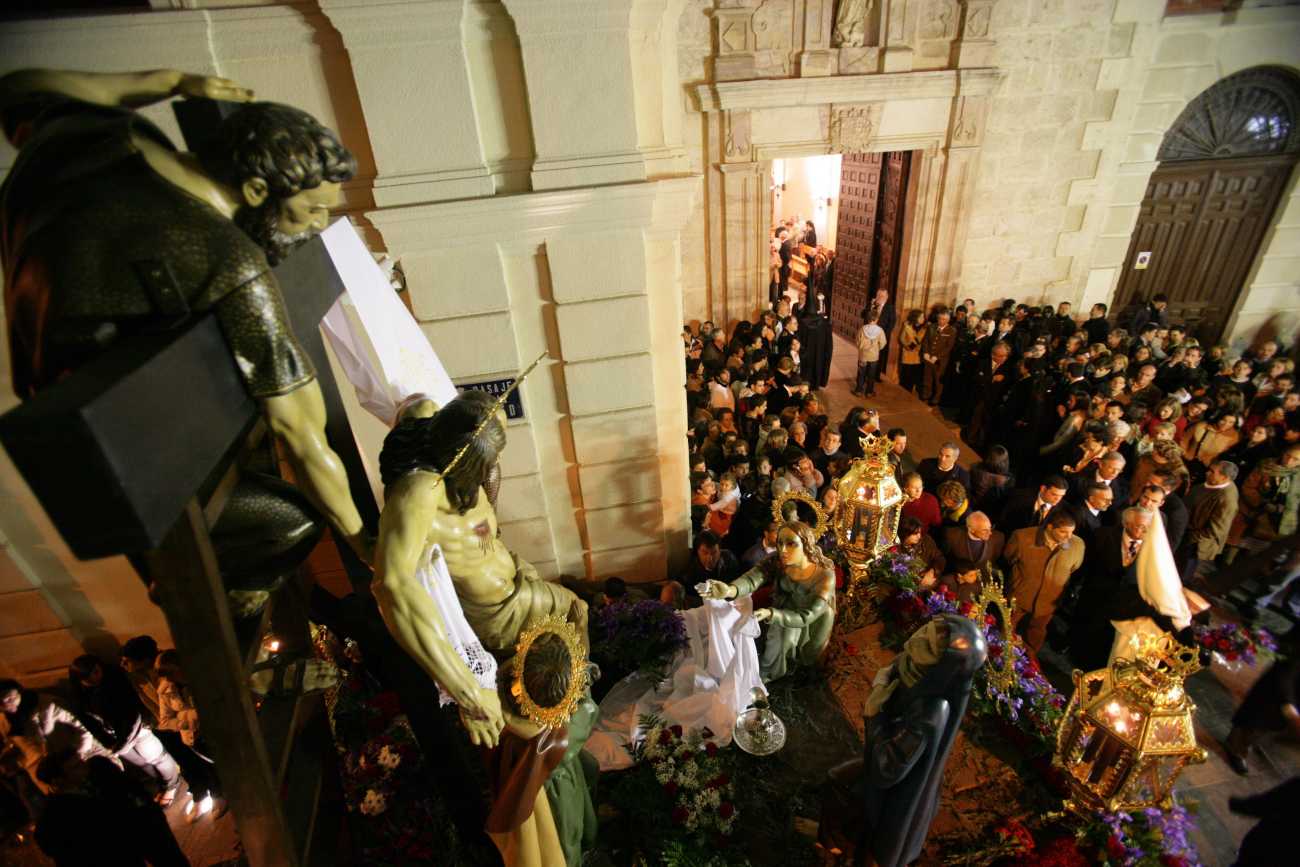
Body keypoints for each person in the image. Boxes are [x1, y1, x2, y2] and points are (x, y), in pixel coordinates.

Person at [0, 67, 372, 563]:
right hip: (126, 462)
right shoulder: (229, 262)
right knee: (290, 521)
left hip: (55, 381)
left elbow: (20, 89)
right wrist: (361, 541)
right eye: (309, 211)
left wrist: (171, 81)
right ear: (258, 190)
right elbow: (299, 432)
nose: (319, 225)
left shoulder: (105, 134)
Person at [374, 390, 588, 747]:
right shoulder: (421, 494)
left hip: (517, 574)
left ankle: (568, 686)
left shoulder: (430, 420)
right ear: (461, 459)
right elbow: (390, 586)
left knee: (574, 611)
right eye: (489, 458)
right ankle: (543, 708)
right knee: (575, 612)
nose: (495, 463)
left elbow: (420, 402)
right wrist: (468, 692)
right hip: (495, 609)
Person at [818, 615, 987, 867]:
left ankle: (836, 847)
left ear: (947, 665)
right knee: (837, 785)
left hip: (893, 788)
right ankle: (829, 838)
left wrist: (874, 713)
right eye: (924, 631)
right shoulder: (916, 671)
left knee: (844, 792)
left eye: (928, 647)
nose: (914, 642)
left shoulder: (931, 712)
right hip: (884, 756)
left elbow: (885, 770)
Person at [700, 521, 836, 681]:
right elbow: (753, 578)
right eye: (780, 543)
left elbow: (807, 616)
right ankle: (767, 675)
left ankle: (785, 677)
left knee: (797, 652)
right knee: (776, 640)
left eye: (791, 544)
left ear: (806, 544)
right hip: (782, 612)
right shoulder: (777, 561)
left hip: (813, 621)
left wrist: (772, 613)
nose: (783, 550)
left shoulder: (824, 576)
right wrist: (730, 590)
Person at [35, 751, 190, 867]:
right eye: (76, 767)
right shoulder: (54, 815)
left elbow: (132, 787)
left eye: (80, 760)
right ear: (58, 781)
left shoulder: (99, 767)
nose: (84, 765)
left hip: (148, 829)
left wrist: (150, 812)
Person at [68, 656, 181, 805]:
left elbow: (133, 713)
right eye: (87, 677)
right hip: (114, 737)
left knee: (156, 757)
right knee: (143, 763)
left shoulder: (115, 680)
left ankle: (172, 783)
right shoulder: (82, 696)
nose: (94, 678)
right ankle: (163, 784)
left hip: (136, 729)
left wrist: (123, 741)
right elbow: (89, 722)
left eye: (96, 671)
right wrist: (109, 742)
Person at [1004, 510, 1085, 654]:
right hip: (1019, 597)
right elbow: (1008, 559)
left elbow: (1073, 568)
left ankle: (1028, 667)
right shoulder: (1022, 537)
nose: (1069, 537)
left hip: (1048, 602)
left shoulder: (1078, 545)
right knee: (1004, 630)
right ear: (1049, 527)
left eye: (1072, 532)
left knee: (1035, 636)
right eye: (1063, 532)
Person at [1179, 460, 1240, 585]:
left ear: (1224, 477)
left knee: (1182, 574)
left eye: (1212, 472)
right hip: (1186, 533)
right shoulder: (1210, 483)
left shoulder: (1227, 500)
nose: (1207, 473)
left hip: (1195, 545)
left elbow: (1216, 530)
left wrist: (1190, 537)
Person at [938, 512, 1004, 603]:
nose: (990, 533)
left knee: (966, 594)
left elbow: (997, 566)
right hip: (958, 574)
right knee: (944, 584)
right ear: (971, 529)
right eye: (984, 530)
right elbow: (944, 558)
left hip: (982, 579)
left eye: (990, 528)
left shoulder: (998, 538)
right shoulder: (952, 535)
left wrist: (977, 574)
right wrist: (961, 576)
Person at [999, 476, 1069, 534]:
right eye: (1054, 494)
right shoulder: (1020, 497)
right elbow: (1003, 521)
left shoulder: (1063, 509)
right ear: (1043, 489)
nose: (1058, 499)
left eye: (1061, 496)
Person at [894, 516, 946, 589]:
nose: (919, 536)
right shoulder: (896, 550)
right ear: (905, 534)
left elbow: (940, 558)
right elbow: (899, 576)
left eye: (920, 532)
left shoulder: (926, 541)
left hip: (931, 580)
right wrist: (919, 582)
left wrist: (932, 571)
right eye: (915, 534)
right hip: (910, 587)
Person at [918, 309, 957, 406]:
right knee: (927, 378)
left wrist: (937, 357)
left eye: (943, 319)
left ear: (948, 320)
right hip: (928, 357)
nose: (941, 321)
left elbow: (949, 347)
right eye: (939, 318)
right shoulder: (932, 327)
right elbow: (926, 340)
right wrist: (925, 352)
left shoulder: (951, 331)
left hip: (940, 361)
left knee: (937, 380)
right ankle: (926, 395)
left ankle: (936, 398)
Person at [853, 310, 887, 397]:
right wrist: (877, 349)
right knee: (871, 374)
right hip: (874, 356)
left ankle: (859, 390)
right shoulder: (880, 330)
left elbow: (857, 341)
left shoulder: (863, 329)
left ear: (868, 318)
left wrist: (861, 348)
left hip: (863, 356)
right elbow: (883, 343)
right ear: (877, 319)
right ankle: (869, 392)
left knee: (861, 373)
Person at [898, 310, 925, 394]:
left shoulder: (924, 328)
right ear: (915, 317)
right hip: (907, 354)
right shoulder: (907, 326)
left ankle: (909, 392)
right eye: (921, 317)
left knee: (914, 376)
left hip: (917, 356)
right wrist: (907, 346)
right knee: (905, 375)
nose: (923, 319)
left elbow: (923, 341)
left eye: (923, 317)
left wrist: (917, 346)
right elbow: (901, 338)